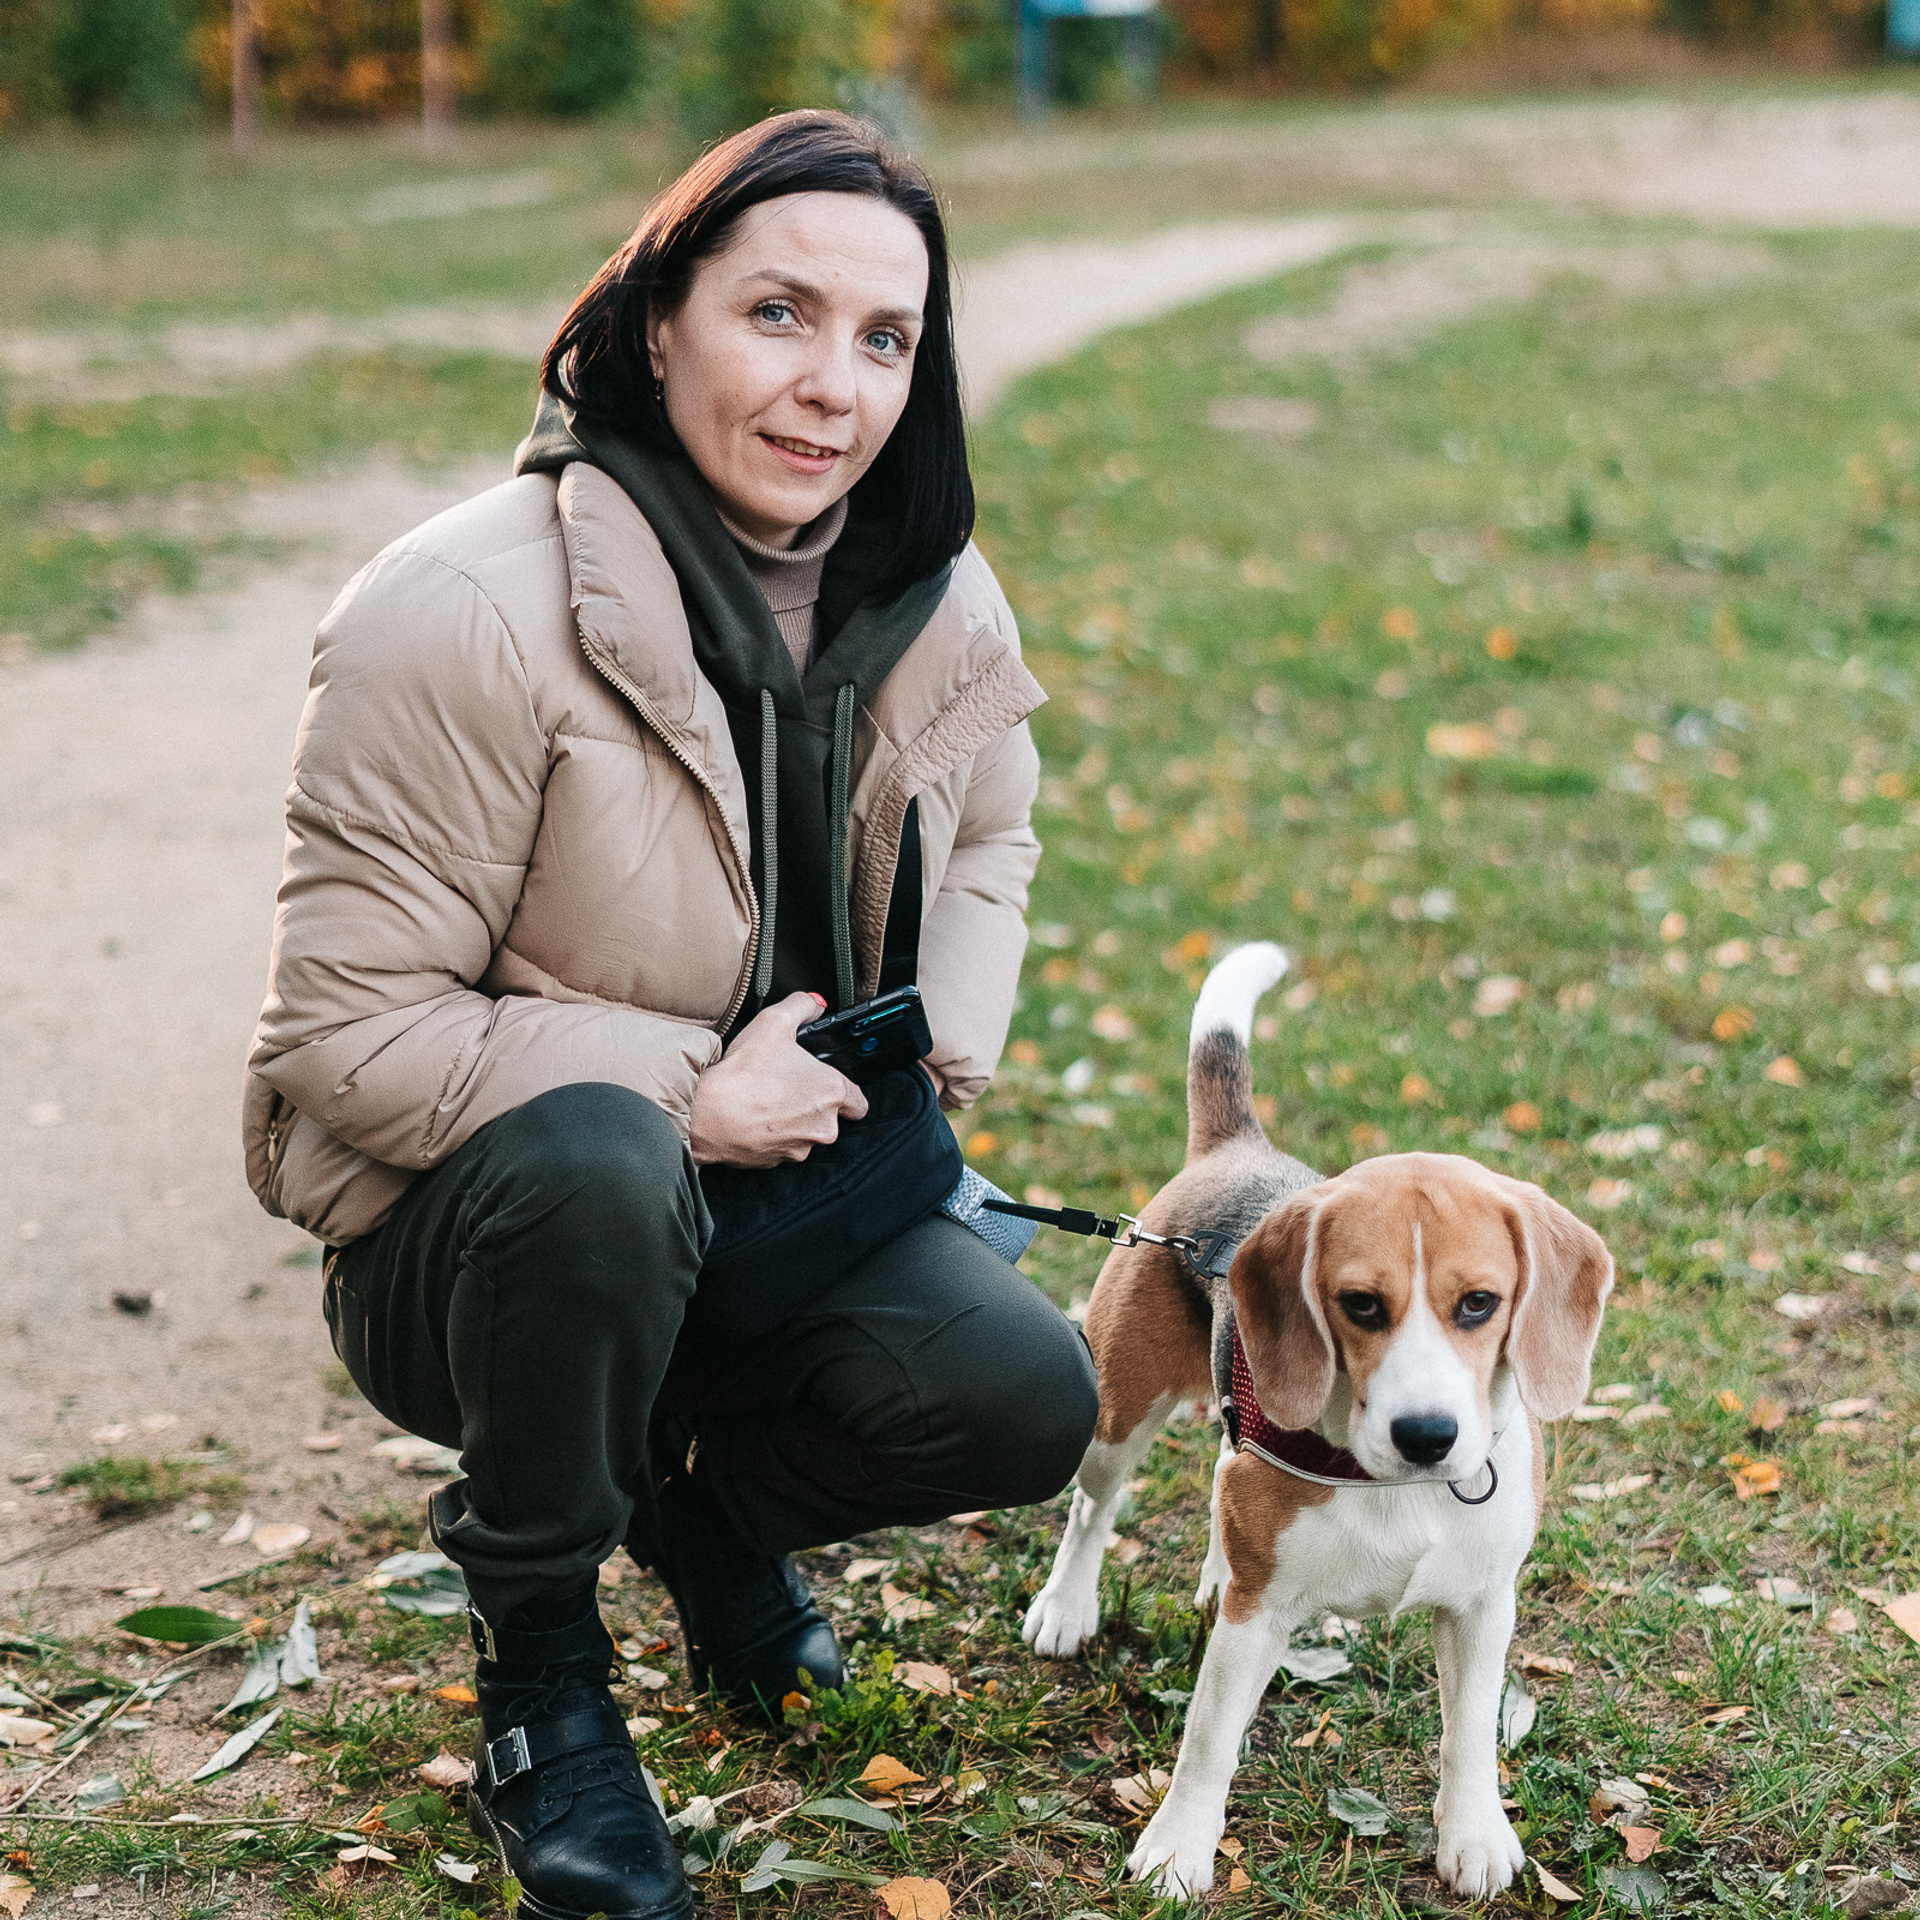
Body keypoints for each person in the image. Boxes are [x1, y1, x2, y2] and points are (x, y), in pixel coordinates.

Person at [241, 110, 1098, 1920]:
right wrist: (696, 1092)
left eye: (886, 341)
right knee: (606, 1164)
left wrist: (931, 1044)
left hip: (793, 1203)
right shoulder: (457, 610)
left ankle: (698, 1525)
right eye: (777, 313)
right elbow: (346, 1036)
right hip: (488, 1247)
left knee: (1026, 1400)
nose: (834, 389)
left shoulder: (929, 589)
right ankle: (542, 1668)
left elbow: (1001, 827)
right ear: (653, 323)